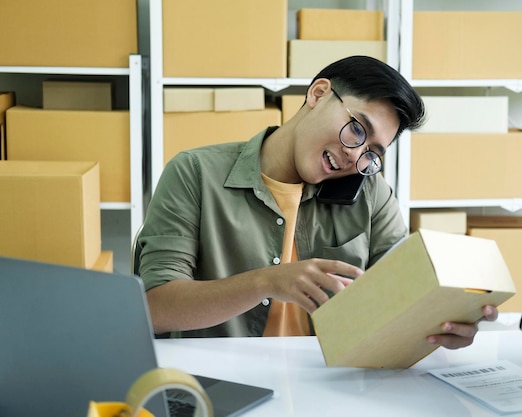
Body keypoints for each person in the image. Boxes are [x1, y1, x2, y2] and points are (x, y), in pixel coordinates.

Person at [137, 55, 498, 348]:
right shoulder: (194, 173)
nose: (354, 155)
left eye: (372, 151)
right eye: (357, 128)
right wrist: (265, 282)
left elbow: (399, 301)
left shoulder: (372, 195)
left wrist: (439, 324)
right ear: (318, 93)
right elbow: (155, 307)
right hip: (224, 384)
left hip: (328, 384)